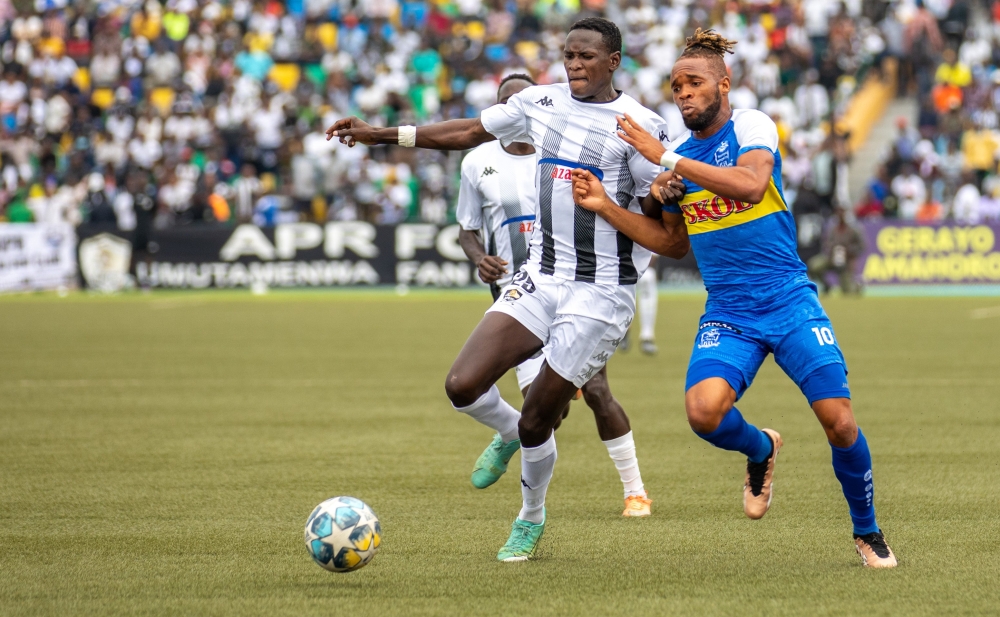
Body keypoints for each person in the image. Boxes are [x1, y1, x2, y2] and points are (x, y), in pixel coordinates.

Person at [327, 17, 680, 562]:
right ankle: (511, 434)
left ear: (614, 61)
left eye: (586, 56)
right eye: (568, 55)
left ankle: (530, 517)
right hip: (539, 277)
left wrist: (657, 192)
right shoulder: (540, 102)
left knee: (543, 413)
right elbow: (469, 132)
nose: (574, 65)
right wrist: (378, 134)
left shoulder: (639, 124)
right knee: (462, 385)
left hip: (599, 294)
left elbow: (662, 224)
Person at [570, 28, 897, 568]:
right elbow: (672, 244)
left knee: (839, 422)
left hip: (788, 299)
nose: (684, 94)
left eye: (694, 82)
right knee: (703, 413)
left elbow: (748, 185)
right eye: (676, 86)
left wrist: (668, 158)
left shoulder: (750, 125)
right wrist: (608, 205)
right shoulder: (677, 162)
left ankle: (867, 532)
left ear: (724, 84)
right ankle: (761, 450)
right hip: (729, 310)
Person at [455, 73, 653, 515]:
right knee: (540, 413)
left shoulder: (560, 145)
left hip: (582, 289)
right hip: (520, 292)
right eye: (508, 103)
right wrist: (478, 256)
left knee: (598, 391)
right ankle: (511, 436)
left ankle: (634, 490)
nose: (516, 110)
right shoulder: (478, 163)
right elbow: (467, 228)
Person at [807, 209, 866, 295]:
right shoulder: (833, 230)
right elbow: (826, 243)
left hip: (845, 263)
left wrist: (850, 251)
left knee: (848, 292)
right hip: (831, 259)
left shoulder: (853, 231)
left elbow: (861, 246)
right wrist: (831, 249)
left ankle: (857, 286)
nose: (840, 217)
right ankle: (826, 286)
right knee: (814, 265)